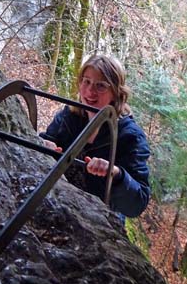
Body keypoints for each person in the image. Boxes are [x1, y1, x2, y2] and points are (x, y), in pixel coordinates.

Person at [40, 54, 150, 218]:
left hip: (98, 219)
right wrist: (45, 145)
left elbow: (137, 204)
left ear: (115, 92)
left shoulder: (130, 136)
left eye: (101, 86)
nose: (90, 91)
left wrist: (116, 174)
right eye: (86, 81)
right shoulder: (68, 116)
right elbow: (46, 142)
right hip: (57, 202)